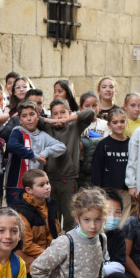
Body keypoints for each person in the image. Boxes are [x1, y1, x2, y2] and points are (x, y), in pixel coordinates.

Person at [41, 98, 96, 231]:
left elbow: (90, 113)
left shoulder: (75, 126)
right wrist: (50, 120)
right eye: (55, 114)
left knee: (70, 216)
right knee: (53, 216)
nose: (59, 117)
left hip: (69, 179)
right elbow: (37, 119)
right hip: (50, 179)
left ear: (69, 112)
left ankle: (70, 243)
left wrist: (69, 119)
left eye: (63, 112)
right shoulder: (48, 127)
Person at [4, 101, 66, 202]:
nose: (29, 118)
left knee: (35, 216)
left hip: (36, 188)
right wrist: (35, 156)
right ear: (20, 120)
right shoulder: (17, 131)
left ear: (38, 116)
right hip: (16, 186)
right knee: (16, 216)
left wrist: (44, 154)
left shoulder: (43, 136)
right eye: (24, 116)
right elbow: (12, 145)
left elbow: (61, 146)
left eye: (32, 114)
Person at [10, 169, 60, 270]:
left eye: (48, 183)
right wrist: (50, 255)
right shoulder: (22, 211)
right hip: (27, 258)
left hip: (48, 254)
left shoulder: (51, 205)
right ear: (29, 190)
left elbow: (56, 234)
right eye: (42, 185)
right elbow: (26, 245)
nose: (47, 187)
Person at [91, 108, 130, 194]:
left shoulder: (131, 143)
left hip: (127, 190)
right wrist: (97, 190)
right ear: (109, 125)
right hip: (107, 191)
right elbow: (97, 169)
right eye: (115, 122)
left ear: (126, 123)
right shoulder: (103, 144)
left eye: (122, 121)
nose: (119, 125)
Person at [78, 91, 109, 189]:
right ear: (81, 108)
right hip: (81, 170)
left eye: (94, 105)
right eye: (87, 106)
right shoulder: (76, 124)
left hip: (100, 168)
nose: (91, 109)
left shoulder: (105, 125)